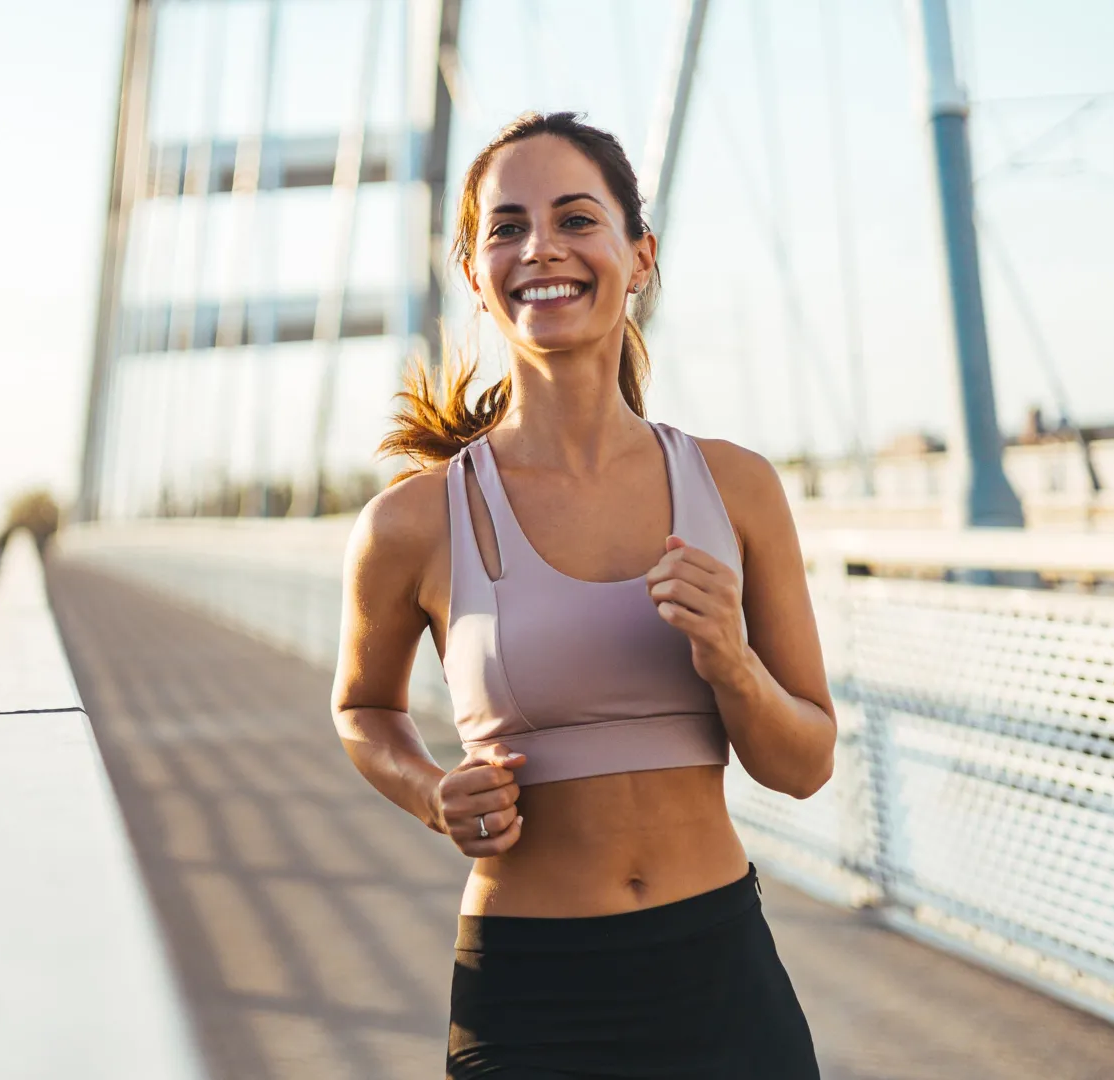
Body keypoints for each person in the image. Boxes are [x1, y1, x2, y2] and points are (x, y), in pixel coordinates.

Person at [333, 112, 836, 1079]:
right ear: (475, 276)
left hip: (723, 978)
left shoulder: (737, 488)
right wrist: (434, 794)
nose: (541, 250)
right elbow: (362, 707)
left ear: (638, 256)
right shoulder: (411, 523)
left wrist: (730, 660)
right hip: (531, 993)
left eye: (575, 218)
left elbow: (804, 764)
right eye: (507, 228)